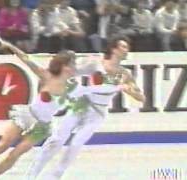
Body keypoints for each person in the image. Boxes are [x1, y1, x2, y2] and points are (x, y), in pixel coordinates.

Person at [27, 36, 145, 179]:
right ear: (114, 49)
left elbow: (141, 98)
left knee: (76, 145)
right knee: (57, 139)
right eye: (124, 47)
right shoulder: (96, 63)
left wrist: (129, 90)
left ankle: (54, 176)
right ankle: (32, 174)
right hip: (82, 103)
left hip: (99, 111)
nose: (127, 50)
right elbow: (69, 72)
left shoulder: (125, 74)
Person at [0, 38, 78, 180]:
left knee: (15, 154)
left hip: (42, 127)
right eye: (73, 64)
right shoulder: (47, 76)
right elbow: (26, 59)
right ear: (64, 66)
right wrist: (10, 46)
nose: (75, 67)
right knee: (3, 145)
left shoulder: (72, 87)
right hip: (27, 116)